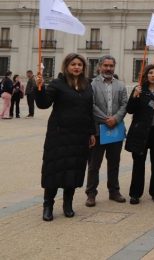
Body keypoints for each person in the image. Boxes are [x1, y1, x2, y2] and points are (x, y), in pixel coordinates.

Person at [34, 53, 96, 221]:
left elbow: (89, 111)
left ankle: (67, 204)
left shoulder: (88, 85)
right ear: (66, 66)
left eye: (80, 65)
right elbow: (43, 104)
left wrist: (91, 132)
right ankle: (48, 205)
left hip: (79, 135)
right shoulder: (57, 84)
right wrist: (38, 88)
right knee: (54, 169)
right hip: (59, 134)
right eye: (73, 64)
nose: (76, 67)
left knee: (74, 170)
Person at [125, 64, 154, 204]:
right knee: (138, 163)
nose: (153, 75)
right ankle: (135, 194)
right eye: (150, 73)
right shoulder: (139, 89)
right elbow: (130, 110)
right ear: (146, 75)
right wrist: (134, 97)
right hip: (140, 132)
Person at [86, 56, 128, 207]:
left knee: (114, 163)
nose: (108, 68)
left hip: (115, 130)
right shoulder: (91, 85)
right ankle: (91, 193)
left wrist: (116, 119)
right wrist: (106, 119)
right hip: (98, 130)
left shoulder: (121, 85)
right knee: (94, 164)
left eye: (111, 66)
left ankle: (114, 191)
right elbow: (90, 105)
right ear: (99, 67)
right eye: (106, 65)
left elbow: (124, 104)